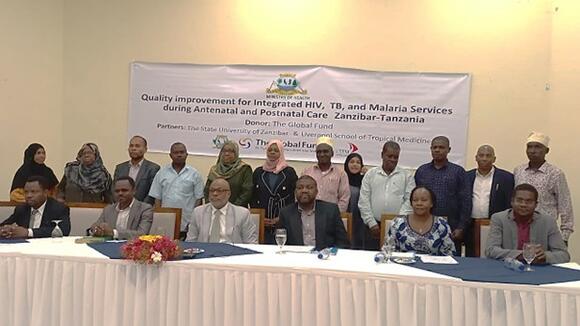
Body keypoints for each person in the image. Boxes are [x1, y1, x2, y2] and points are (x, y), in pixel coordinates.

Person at [485, 184, 570, 264]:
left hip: (538, 271)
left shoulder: (548, 222)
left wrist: (545, 256)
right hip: (506, 268)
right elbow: (490, 250)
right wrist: (521, 255)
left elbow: (564, 255)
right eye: (519, 200)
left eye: (528, 201)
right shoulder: (499, 219)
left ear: (536, 205)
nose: (523, 205)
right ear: (512, 202)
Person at [414, 136, 471, 254]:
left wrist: (461, 227)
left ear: (448, 149)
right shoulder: (422, 171)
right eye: (434, 147)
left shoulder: (458, 172)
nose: (437, 150)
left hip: (451, 227)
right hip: (424, 226)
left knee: (450, 262)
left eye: (441, 147)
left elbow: (465, 201)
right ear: (430, 149)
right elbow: (415, 201)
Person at [514, 132, 574, 243]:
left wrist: (564, 237)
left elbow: (565, 205)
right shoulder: (519, 171)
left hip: (545, 231)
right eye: (529, 146)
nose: (532, 150)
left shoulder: (555, 173)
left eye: (537, 147)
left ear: (547, 151)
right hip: (519, 230)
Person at [358, 141, 415, 250]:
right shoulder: (370, 174)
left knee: (395, 261)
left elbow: (409, 201)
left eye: (396, 157)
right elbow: (364, 200)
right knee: (371, 260)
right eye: (389, 156)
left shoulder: (407, 176)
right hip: (373, 227)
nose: (393, 159)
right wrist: (371, 223)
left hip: (399, 227)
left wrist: (398, 223)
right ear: (382, 155)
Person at [465, 145, 514, 256]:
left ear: (494, 159)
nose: (484, 158)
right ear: (476, 158)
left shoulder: (506, 178)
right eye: (481, 155)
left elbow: (508, 203)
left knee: (494, 256)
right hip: (471, 226)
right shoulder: (466, 177)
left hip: (495, 225)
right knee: (471, 257)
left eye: (488, 155)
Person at [278, 175, 349, 250]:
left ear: (316, 192)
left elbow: (343, 242)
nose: (304, 190)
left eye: (309, 187)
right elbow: (280, 243)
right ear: (295, 192)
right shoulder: (286, 213)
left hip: (324, 257)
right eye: (300, 188)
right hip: (297, 257)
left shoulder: (331, 210)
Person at [148, 142, 204, 238]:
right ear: (170, 155)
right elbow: (157, 198)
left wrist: (193, 220)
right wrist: (159, 218)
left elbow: (199, 199)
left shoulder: (195, 174)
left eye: (182, 152)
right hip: (166, 220)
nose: (179, 155)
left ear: (187, 154)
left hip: (187, 220)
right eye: (176, 152)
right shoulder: (161, 173)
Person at [384, 186, 455, 256]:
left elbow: (449, 254)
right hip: (403, 265)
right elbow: (388, 251)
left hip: (433, 266)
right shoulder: (397, 223)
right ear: (411, 203)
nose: (419, 203)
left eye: (424, 200)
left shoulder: (441, 224)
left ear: (432, 203)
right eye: (415, 200)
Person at [250, 139, 297, 244]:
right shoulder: (258, 172)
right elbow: (253, 196)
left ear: (281, 153)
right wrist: (260, 217)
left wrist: (281, 217)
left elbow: (293, 197)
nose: (272, 152)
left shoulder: (289, 172)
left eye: (276, 150)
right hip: (262, 222)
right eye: (270, 150)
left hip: (283, 220)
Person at [187, 178, 257, 244]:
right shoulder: (198, 212)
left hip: (232, 254)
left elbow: (251, 243)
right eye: (212, 190)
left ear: (228, 194)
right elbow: (190, 241)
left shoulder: (242, 214)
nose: (215, 194)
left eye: (219, 190)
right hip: (204, 254)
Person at [0, 176, 71, 238]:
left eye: (33, 192)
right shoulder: (21, 208)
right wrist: (4, 230)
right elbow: (5, 224)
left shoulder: (58, 208)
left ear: (45, 192)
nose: (29, 195)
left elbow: (63, 230)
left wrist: (28, 232)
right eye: (26, 192)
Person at [89, 177, 153, 240]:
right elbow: (96, 226)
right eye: (117, 191)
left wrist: (114, 233)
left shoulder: (145, 209)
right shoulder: (108, 209)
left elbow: (142, 234)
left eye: (124, 190)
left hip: (132, 247)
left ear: (134, 191)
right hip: (109, 246)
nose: (120, 193)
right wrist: (96, 230)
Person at [302, 136, 350, 212]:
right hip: (309, 215)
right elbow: (300, 195)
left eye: (325, 151)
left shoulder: (341, 174)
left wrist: (334, 215)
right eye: (319, 152)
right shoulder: (307, 172)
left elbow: (344, 199)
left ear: (332, 153)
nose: (322, 154)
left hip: (331, 217)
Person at [113, 135, 160, 204]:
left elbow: (152, 194)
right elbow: (114, 189)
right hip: (121, 208)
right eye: (131, 146)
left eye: (137, 146)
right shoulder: (120, 168)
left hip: (142, 209)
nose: (133, 148)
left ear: (145, 149)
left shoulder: (153, 168)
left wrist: (140, 208)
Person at [204, 141, 253, 207]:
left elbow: (247, 192)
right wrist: (212, 206)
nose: (227, 153)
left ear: (236, 153)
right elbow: (207, 191)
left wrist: (232, 208)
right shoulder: (214, 170)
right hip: (215, 209)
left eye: (231, 151)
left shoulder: (244, 169)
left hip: (237, 211)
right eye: (224, 151)